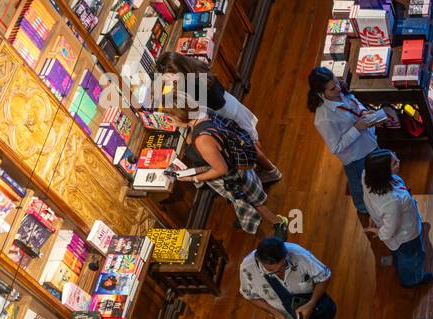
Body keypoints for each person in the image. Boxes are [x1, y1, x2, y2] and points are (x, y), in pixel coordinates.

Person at [155, 98, 287, 237]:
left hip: (233, 177)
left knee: (253, 202)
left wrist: (193, 178)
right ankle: (248, 218)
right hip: (237, 163)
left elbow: (220, 170)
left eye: (169, 117)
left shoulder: (202, 140)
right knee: (243, 202)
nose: (169, 120)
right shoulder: (201, 111)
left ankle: (278, 222)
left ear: (178, 115)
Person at [155, 51, 281, 185]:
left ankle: (271, 171)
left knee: (250, 145)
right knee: (249, 140)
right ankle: (262, 167)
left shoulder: (192, 85)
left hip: (224, 113)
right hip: (229, 104)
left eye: (168, 77)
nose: (167, 81)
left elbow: (193, 110)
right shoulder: (194, 66)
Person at [306, 67, 390, 227]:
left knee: (378, 171)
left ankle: (383, 194)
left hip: (369, 142)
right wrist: (357, 128)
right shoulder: (323, 119)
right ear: (320, 93)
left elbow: (355, 104)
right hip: (355, 156)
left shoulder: (340, 92)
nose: (338, 89)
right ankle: (363, 208)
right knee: (359, 184)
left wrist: (366, 113)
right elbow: (336, 147)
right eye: (332, 88)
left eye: (337, 83)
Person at [361, 150, 433, 288]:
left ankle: (397, 263)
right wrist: (379, 232)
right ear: (382, 172)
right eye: (395, 163)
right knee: (412, 257)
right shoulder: (392, 200)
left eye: (396, 157)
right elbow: (389, 230)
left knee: (399, 254)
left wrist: (374, 215)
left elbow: (369, 200)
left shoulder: (366, 176)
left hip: (395, 235)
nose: (399, 162)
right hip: (406, 236)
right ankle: (412, 279)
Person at [238, 236, 335, 319]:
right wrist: (274, 312)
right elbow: (250, 296)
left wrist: (311, 304)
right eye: (271, 271)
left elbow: (324, 277)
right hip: (284, 318)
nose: (278, 273)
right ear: (259, 261)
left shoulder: (300, 255)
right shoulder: (247, 269)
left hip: (314, 308)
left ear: (286, 255)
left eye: (283, 267)